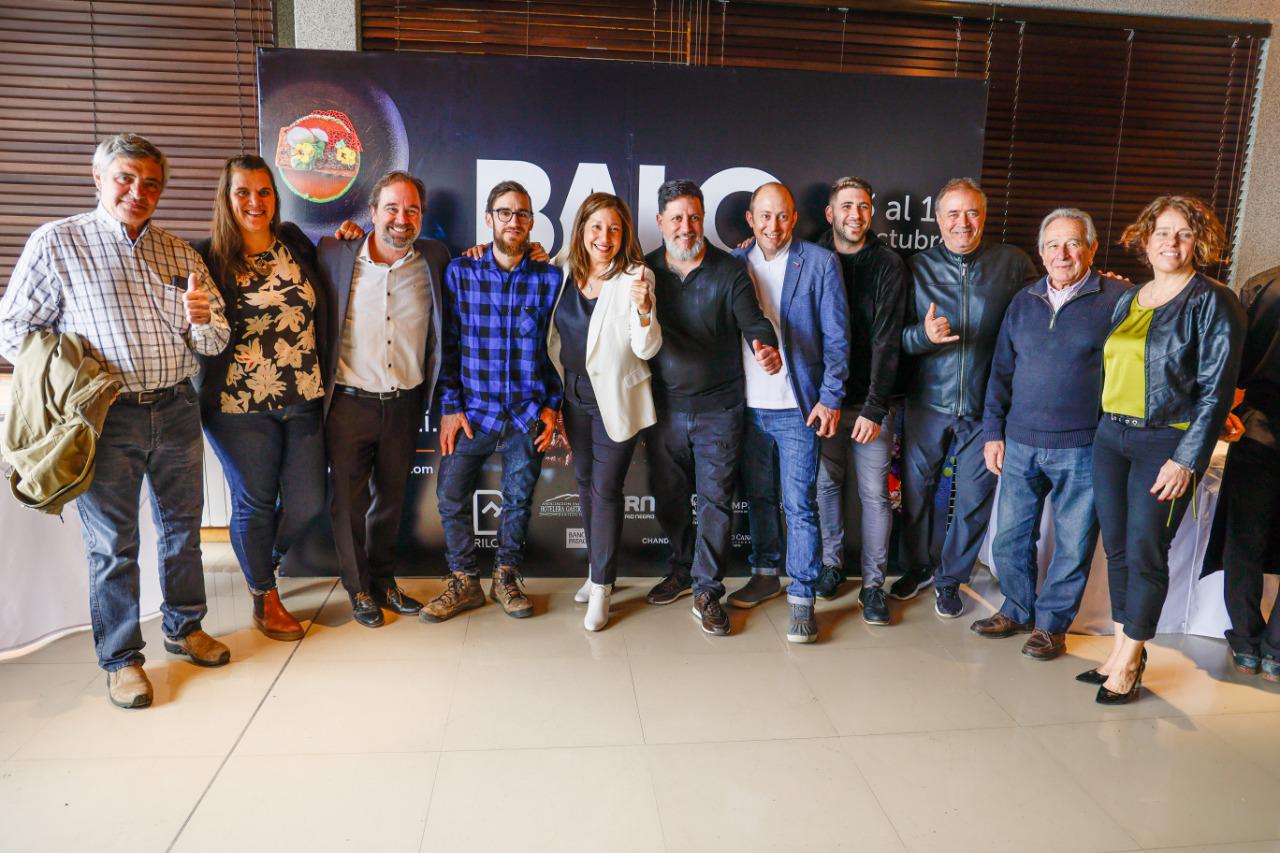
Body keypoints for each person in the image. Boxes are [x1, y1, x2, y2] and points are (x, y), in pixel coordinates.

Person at [0, 133, 231, 708]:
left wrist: (202, 320)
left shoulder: (180, 254)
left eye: (151, 183)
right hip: (105, 417)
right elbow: (14, 330)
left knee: (183, 533)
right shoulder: (58, 243)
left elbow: (215, 340)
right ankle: (122, 659)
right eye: (126, 178)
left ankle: (185, 628)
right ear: (98, 178)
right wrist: (72, 380)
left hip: (177, 407)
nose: (138, 191)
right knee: (113, 545)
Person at [1084, 195, 1244, 704]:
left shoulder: (1213, 301)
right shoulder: (1132, 297)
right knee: (1117, 549)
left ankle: (1131, 660)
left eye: (1183, 233)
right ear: (1145, 239)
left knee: (1146, 550)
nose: (1171, 242)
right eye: (1162, 232)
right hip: (1111, 437)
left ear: (1199, 242)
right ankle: (1118, 649)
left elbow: (1217, 392)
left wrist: (1186, 458)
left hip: (1166, 442)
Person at [193, 154, 355, 641]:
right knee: (256, 502)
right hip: (237, 407)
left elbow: (330, 271)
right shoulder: (206, 257)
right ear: (226, 199)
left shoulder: (293, 241)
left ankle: (262, 560)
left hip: (303, 397)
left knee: (308, 502)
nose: (255, 202)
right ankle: (264, 596)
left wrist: (346, 238)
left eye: (264, 192)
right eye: (242, 192)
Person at [974, 208, 1130, 659]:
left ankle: (1051, 626)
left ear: (1091, 249)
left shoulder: (1119, 300)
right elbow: (1001, 371)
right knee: (1010, 538)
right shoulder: (1023, 301)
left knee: (1073, 545)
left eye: (1072, 243)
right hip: (1020, 442)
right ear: (1040, 252)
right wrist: (993, 431)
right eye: (1052, 245)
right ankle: (1017, 608)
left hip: (1083, 446)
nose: (1062, 254)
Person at [892, 177, 1039, 618]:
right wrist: (924, 335)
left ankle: (950, 579)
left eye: (971, 212)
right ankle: (918, 567)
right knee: (916, 495)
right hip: (927, 403)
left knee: (974, 500)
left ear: (984, 217)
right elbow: (894, 339)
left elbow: (1048, 308)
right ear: (938, 219)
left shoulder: (1012, 264)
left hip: (986, 408)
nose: (962, 222)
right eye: (953, 213)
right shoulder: (916, 267)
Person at [643, 179, 781, 636]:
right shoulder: (643, 271)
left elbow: (755, 323)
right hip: (662, 409)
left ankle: (706, 590)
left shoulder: (729, 270)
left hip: (719, 410)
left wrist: (765, 346)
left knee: (716, 502)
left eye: (694, 217)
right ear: (660, 221)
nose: (686, 226)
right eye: (676, 218)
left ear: (703, 219)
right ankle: (682, 569)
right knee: (668, 497)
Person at [422, 180, 563, 623]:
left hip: (525, 414)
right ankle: (464, 581)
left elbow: (557, 348)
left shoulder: (549, 278)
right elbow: (448, 345)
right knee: (450, 495)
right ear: (489, 219)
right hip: (474, 414)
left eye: (522, 213)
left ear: (532, 222)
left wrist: (552, 404)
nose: (514, 220)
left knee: (518, 499)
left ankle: (506, 577)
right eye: (505, 212)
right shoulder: (460, 273)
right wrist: (450, 406)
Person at [318, 170, 450, 627]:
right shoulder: (335, 253)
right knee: (348, 504)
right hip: (348, 403)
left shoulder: (435, 258)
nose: (401, 218)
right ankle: (358, 589)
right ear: (372, 213)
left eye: (412, 210)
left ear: (421, 217)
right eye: (391, 208)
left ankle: (383, 581)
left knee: (392, 499)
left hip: (404, 404)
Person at [724, 182, 849, 643]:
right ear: (750, 220)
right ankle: (763, 574)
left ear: (794, 218)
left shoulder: (820, 263)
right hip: (746, 405)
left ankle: (802, 597)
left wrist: (830, 397)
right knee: (758, 496)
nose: (773, 225)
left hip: (798, 407)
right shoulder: (734, 262)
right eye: (764, 215)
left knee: (799, 504)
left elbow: (837, 338)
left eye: (782, 216)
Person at [548, 192, 661, 631]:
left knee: (606, 490)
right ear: (581, 229)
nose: (605, 236)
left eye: (614, 228)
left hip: (615, 396)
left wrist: (645, 309)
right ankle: (597, 569)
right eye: (596, 226)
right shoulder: (562, 269)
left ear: (624, 234)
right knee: (583, 483)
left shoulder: (637, 276)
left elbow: (646, 348)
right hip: (572, 392)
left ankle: (602, 588)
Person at [810, 176, 906, 625]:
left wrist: (874, 406)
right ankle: (831, 566)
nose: (856, 214)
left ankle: (872, 586)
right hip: (825, 402)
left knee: (875, 496)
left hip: (871, 403)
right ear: (831, 213)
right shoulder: (810, 254)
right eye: (847, 206)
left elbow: (888, 341)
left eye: (864, 206)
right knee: (826, 486)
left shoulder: (888, 263)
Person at [1210, 264, 1280, 681]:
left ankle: (1247, 641)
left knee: (1244, 539)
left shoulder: (1261, 284)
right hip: (1258, 424)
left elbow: (1230, 359)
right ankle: (1277, 652)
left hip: (1257, 425)